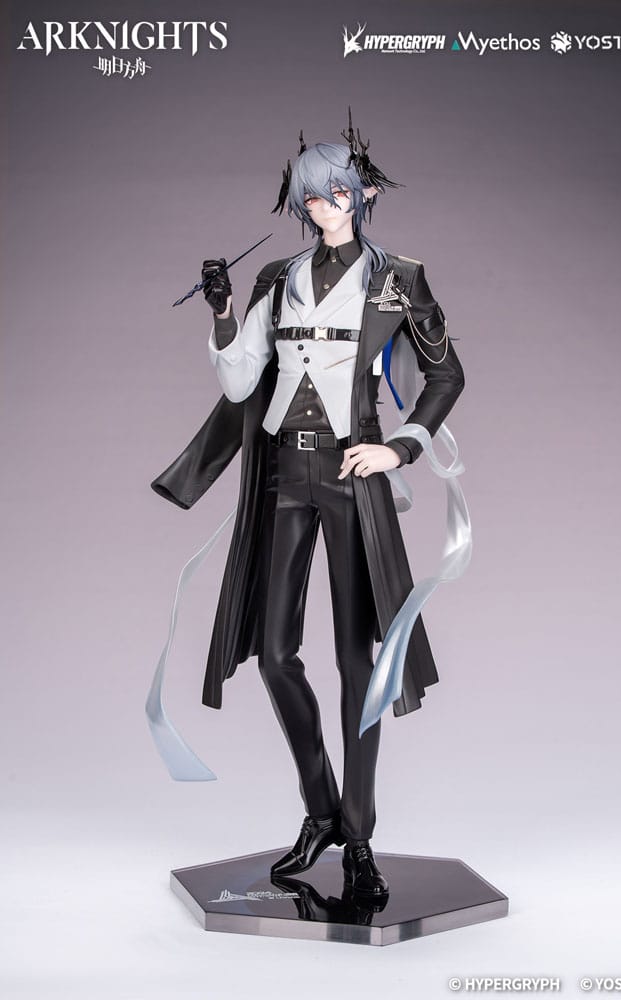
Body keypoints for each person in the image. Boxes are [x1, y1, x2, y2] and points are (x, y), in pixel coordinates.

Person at [151, 127, 465, 898]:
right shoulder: (278, 276)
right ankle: (319, 809)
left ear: (363, 195)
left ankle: (357, 835)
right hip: (283, 474)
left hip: (352, 472)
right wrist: (222, 314)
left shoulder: (397, 279)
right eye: (311, 197)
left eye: (336, 193)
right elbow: (239, 383)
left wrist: (401, 447)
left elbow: (445, 374)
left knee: (359, 662)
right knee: (272, 652)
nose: (324, 206)